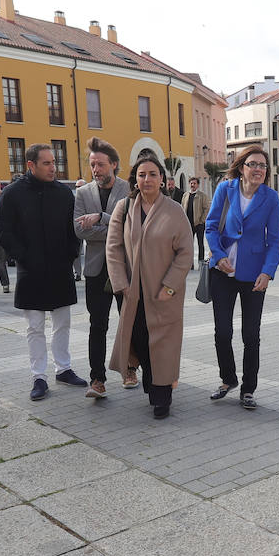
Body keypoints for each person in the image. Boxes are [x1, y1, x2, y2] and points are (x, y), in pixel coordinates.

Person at [0, 143, 87, 400]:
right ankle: (38, 376)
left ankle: (64, 368)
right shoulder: (12, 194)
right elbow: (1, 230)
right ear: (31, 165)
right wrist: (23, 256)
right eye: (46, 163)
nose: (52, 168)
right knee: (35, 326)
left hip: (59, 268)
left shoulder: (64, 193)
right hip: (31, 270)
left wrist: (70, 254)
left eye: (53, 162)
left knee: (63, 323)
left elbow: (74, 230)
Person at [105, 154, 192, 418]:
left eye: (153, 174)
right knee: (141, 340)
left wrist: (170, 286)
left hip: (164, 293)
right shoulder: (125, 207)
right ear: (135, 180)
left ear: (162, 179)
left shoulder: (174, 210)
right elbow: (113, 248)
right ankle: (152, 385)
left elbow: (186, 252)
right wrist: (121, 284)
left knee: (164, 345)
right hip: (134, 294)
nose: (147, 179)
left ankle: (162, 397)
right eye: (142, 175)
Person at [205, 144, 279, 410]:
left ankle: (248, 389)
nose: (258, 169)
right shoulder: (224, 190)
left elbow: (275, 240)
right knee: (222, 332)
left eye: (263, 166)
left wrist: (267, 272)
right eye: (253, 164)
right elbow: (211, 226)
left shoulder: (270, 198)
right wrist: (218, 255)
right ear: (242, 167)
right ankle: (228, 379)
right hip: (222, 273)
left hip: (254, 276)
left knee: (251, 334)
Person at [74, 137, 132, 399]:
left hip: (124, 268)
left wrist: (100, 218)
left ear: (114, 165)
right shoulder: (83, 193)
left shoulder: (129, 188)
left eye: (100, 164)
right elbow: (78, 229)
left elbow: (131, 227)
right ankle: (97, 379)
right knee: (97, 324)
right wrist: (112, 226)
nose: (95, 169)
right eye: (92, 164)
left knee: (128, 322)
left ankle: (130, 369)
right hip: (96, 270)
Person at [181, 177, 210, 269]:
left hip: (199, 224)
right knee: (189, 245)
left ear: (197, 185)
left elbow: (206, 209)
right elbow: (182, 207)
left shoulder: (202, 196)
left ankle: (201, 263)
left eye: (194, 183)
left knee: (200, 244)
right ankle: (190, 264)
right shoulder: (185, 195)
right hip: (188, 224)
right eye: (191, 183)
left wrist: (201, 221)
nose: (192, 185)